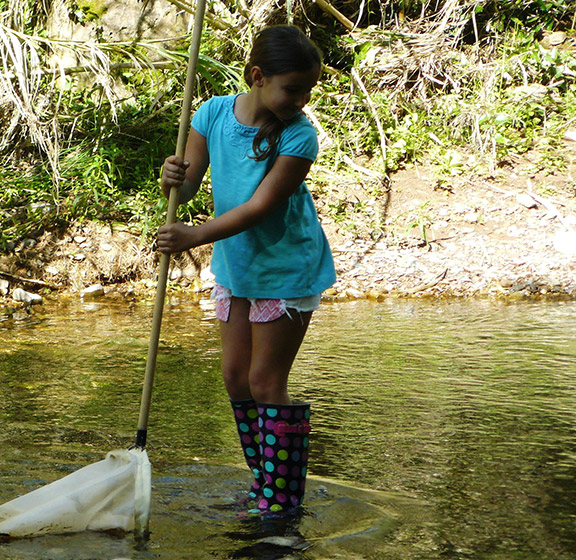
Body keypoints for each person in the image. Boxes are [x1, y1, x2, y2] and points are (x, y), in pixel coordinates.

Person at [156, 25, 336, 515]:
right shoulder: (212, 112)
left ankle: (282, 501)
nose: (301, 100)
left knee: (264, 382)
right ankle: (265, 487)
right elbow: (187, 186)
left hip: (285, 266)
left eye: (307, 91)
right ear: (258, 76)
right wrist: (173, 176)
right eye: (293, 88)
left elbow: (260, 207)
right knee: (236, 377)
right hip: (236, 264)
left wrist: (195, 235)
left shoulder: (299, 135)